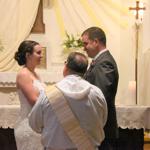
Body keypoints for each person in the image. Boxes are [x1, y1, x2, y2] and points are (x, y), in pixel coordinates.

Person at [29, 52, 107, 150]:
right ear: (85, 70)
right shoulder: (96, 93)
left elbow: (35, 123)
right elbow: (102, 121)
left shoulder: (49, 94)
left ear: (66, 66)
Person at [81, 26, 119, 150]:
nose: (84, 48)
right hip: (98, 127)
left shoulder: (104, 63)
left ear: (96, 42)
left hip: (102, 129)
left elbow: (100, 96)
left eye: (86, 43)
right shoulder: (99, 61)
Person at [14, 40, 45, 150]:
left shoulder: (35, 74)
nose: (42, 56)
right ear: (28, 55)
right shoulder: (23, 74)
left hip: (37, 124)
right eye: (38, 52)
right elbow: (34, 101)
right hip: (28, 126)